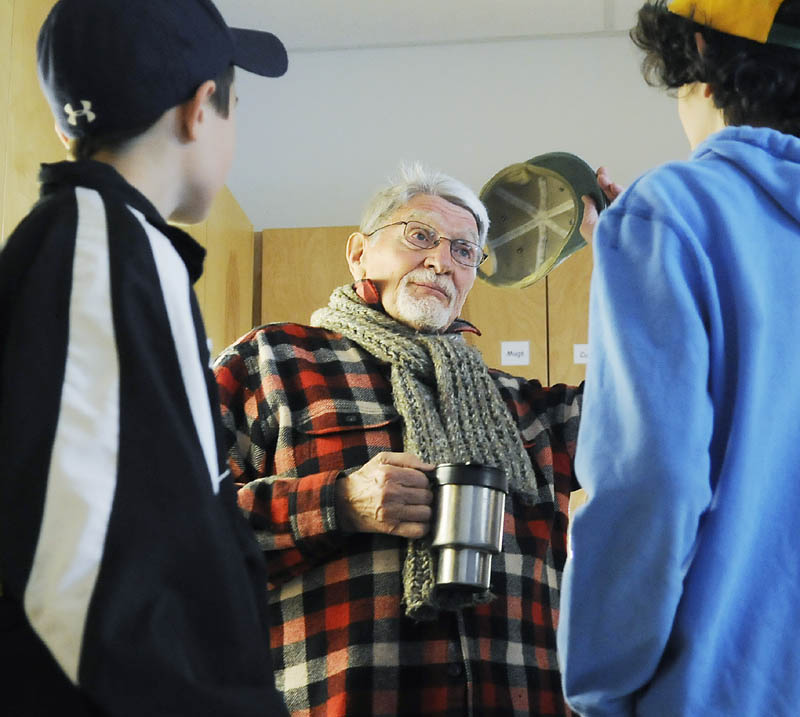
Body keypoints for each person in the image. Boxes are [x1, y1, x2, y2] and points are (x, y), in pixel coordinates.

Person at [0, 0, 290, 714]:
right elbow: (74, 566)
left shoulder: (114, 245)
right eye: (235, 105)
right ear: (200, 110)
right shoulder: (97, 246)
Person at [214, 164, 584, 716]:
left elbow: (663, 404)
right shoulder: (273, 359)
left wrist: (634, 245)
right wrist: (338, 502)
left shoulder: (528, 407)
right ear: (359, 252)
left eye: (465, 252)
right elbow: (168, 525)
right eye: (420, 236)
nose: (442, 261)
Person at [557, 1, 800, 715]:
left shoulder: (673, 213)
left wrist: (600, 681)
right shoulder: (675, 217)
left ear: (694, 49)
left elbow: (651, 483)